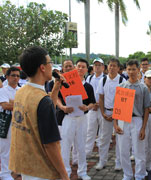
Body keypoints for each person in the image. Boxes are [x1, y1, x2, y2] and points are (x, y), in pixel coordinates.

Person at [9, 46, 69, 180]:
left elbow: (46, 113)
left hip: (27, 164)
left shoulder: (21, 92)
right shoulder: (42, 100)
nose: (52, 67)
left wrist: (56, 88)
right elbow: (50, 144)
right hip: (42, 169)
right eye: (50, 63)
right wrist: (64, 174)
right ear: (42, 67)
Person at [114, 60, 150, 180]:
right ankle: (127, 175)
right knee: (123, 150)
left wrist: (144, 127)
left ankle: (139, 175)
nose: (131, 72)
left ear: (138, 69)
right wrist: (115, 124)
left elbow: (146, 109)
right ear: (126, 70)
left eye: (134, 69)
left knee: (139, 150)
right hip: (123, 120)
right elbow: (117, 107)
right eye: (129, 69)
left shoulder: (143, 88)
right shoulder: (121, 87)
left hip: (137, 120)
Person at [60, 58, 95, 180]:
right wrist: (63, 107)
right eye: (78, 66)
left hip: (82, 118)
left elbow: (92, 103)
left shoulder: (88, 86)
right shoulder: (65, 83)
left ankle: (82, 171)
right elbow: (57, 98)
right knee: (65, 146)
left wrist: (87, 107)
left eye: (83, 67)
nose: (80, 68)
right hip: (68, 117)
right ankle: (66, 171)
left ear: (87, 69)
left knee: (81, 145)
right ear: (75, 68)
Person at [96, 58, 126, 171]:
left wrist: (116, 115)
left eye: (114, 66)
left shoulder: (122, 81)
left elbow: (124, 100)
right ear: (107, 67)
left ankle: (118, 162)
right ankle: (102, 161)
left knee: (120, 139)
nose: (112, 68)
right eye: (110, 65)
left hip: (119, 113)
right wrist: (103, 112)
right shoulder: (103, 80)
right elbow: (101, 97)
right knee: (104, 138)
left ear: (119, 68)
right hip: (106, 113)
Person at [0, 67, 20, 180]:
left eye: (17, 76)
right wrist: (20, 105)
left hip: (19, 122)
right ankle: (4, 173)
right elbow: (5, 105)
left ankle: (14, 170)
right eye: (13, 75)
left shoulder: (21, 90)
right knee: (5, 148)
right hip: (7, 122)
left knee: (17, 147)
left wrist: (13, 102)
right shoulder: (3, 90)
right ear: (7, 77)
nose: (15, 78)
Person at [85, 58, 105, 157]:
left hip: (103, 109)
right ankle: (87, 152)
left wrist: (100, 104)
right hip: (92, 109)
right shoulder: (88, 78)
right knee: (90, 131)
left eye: (99, 65)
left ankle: (102, 154)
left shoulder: (105, 78)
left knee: (102, 133)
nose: (97, 67)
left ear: (103, 67)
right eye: (95, 65)